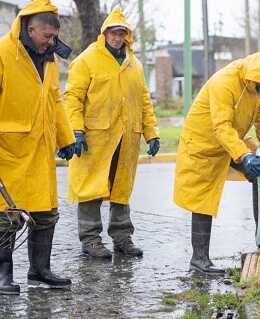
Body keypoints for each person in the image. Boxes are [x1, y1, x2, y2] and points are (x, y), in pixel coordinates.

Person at [174, 49, 260, 274]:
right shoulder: (224, 83)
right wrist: (244, 156)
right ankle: (199, 260)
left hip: (232, 140)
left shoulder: (257, 83)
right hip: (203, 143)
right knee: (202, 199)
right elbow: (221, 126)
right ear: (252, 73)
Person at [64, 6, 159, 259]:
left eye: (121, 33)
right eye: (113, 33)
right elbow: (73, 97)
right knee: (90, 188)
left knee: (121, 188)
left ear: (127, 36)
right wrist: (76, 130)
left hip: (127, 137)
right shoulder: (86, 60)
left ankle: (122, 237)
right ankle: (91, 239)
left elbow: (144, 101)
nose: (117, 37)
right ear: (104, 33)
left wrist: (152, 133)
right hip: (95, 138)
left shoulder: (134, 65)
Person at [0, 0, 75, 295]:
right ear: (29, 29)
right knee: (6, 217)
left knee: (46, 213)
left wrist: (66, 137)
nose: (52, 42)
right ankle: (3, 275)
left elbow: (55, 101)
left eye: (54, 36)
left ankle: (40, 270)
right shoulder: (3, 55)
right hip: (8, 151)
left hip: (40, 150)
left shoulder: (49, 59)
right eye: (47, 36)